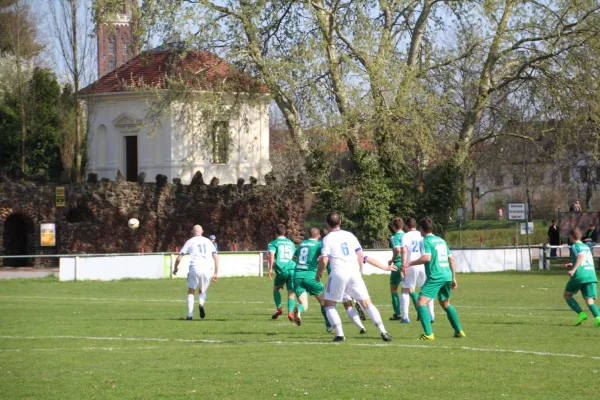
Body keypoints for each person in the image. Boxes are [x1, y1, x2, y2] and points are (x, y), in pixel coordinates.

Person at [317, 212, 392, 342]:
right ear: (340, 222)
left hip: (338, 273)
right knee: (367, 304)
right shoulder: (350, 235)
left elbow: (324, 260)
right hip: (354, 273)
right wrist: (359, 271)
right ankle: (383, 332)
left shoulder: (327, 239)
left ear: (327, 224)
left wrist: (319, 274)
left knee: (329, 305)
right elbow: (360, 255)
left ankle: (340, 335)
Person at [405, 217, 465, 340]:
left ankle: (428, 333)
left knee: (421, 303)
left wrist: (410, 263)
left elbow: (427, 257)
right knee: (445, 303)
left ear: (421, 229)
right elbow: (452, 259)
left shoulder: (426, 240)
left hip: (435, 276)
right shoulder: (441, 240)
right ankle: (459, 331)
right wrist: (454, 277)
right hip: (447, 275)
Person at [173, 225, 219, 320]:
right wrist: (216, 272)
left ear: (192, 232)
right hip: (207, 269)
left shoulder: (189, 241)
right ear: (202, 231)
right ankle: (201, 304)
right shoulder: (208, 241)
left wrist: (175, 268)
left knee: (191, 290)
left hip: (195, 267)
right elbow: (216, 258)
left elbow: (179, 258)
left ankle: (190, 315)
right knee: (202, 290)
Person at [292, 227, 330, 329]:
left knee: (304, 304)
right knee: (323, 301)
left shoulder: (302, 244)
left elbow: (294, 257)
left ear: (308, 235)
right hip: (311, 276)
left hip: (297, 276)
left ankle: (299, 310)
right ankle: (328, 324)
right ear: (319, 236)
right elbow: (324, 258)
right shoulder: (319, 245)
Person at [563, 228, 600, 327]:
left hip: (580, 275)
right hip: (591, 274)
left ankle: (581, 314)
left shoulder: (575, 246)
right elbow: (585, 258)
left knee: (567, 295)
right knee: (589, 300)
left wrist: (573, 269)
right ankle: (598, 318)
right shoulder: (586, 246)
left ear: (571, 237)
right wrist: (573, 263)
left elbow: (581, 256)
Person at [400, 218, 434, 324]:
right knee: (426, 291)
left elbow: (404, 250)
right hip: (422, 264)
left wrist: (403, 265)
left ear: (406, 226)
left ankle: (405, 317)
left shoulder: (405, 236)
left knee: (405, 290)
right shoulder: (421, 235)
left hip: (411, 264)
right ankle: (431, 315)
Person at [267, 224, 296, 321]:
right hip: (292, 267)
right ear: (285, 232)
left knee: (276, 288)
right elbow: (294, 255)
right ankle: (290, 312)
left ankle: (279, 308)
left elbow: (271, 254)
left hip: (282, 268)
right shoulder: (291, 243)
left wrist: (270, 268)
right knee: (291, 292)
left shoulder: (273, 243)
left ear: (275, 232)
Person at [387, 217, 405, 321]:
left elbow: (397, 250)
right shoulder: (407, 235)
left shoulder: (394, 237)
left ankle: (397, 314)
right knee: (410, 289)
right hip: (407, 264)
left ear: (394, 227)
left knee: (394, 288)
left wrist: (391, 260)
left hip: (398, 264)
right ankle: (420, 312)